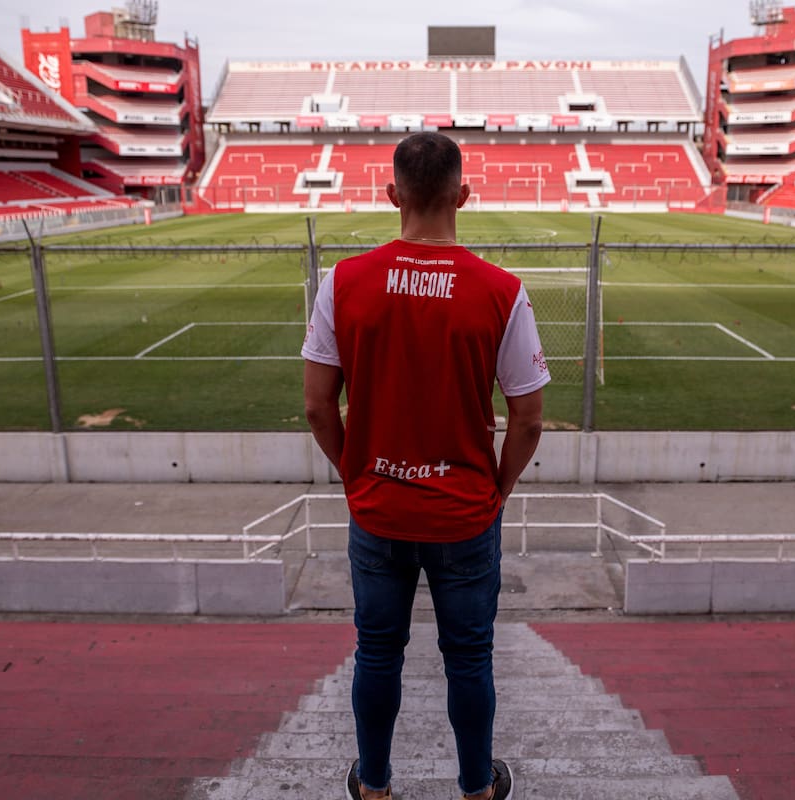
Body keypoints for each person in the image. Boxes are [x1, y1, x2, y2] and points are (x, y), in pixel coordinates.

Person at [301, 131, 549, 800]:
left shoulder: (343, 282)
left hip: (377, 508)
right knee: (468, 658)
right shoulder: (502, 291)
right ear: (463, 196)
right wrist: (497, 491)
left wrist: (358, 474)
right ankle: (476, 788)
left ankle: (375, 786)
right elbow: (529, 419)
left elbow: (318, 408)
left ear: (392, 196)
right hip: (464, 515)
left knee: (377, 652)